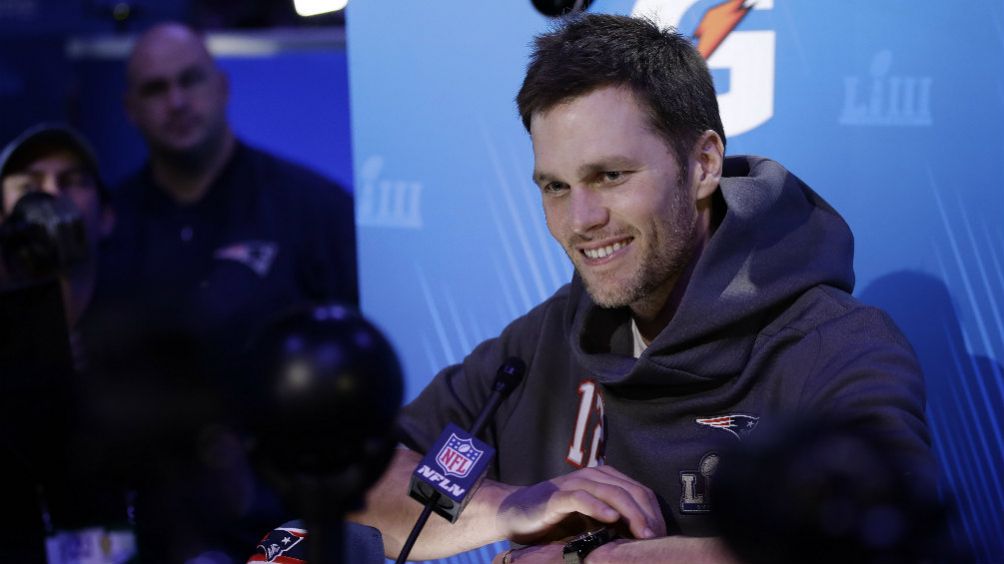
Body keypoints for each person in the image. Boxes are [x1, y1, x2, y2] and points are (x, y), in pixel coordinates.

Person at [350, 14, 935, 563]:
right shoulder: (546, 340)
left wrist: (590, 559)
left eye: (611, 176)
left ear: (703, 164)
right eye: (555, 187)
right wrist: (509, 507)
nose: (581, 220)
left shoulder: (833, 345)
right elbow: (358, 486)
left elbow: (881, 544)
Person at [102, 21, 358, 375]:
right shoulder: (109, 225)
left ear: (223, 87)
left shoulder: (314, 208)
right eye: (155, 89)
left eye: (191, 79)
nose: (176, 102)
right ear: (130, 109)